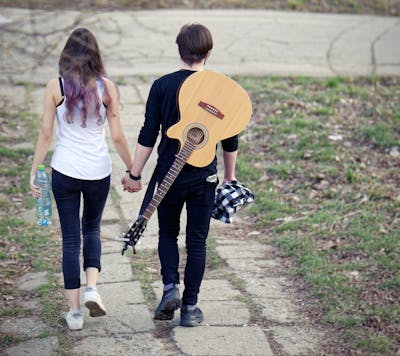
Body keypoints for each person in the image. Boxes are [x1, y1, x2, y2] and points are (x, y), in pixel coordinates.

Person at [122, 23, 239, 327]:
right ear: (208, 53)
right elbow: (230, 140)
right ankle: (189, 309)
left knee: (167, 234)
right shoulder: (219, 91)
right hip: (205, 179)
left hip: (169, 178)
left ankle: (170, 286)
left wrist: (134, 173)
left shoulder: (162, 86)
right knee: (197, 242)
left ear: (179, 50)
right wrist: (229, 177)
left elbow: (149, 133)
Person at [29, 28, 133, 331]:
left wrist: (35, 170)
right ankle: (92, 288)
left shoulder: (55, 86)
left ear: (66, 54)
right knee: (92, 229)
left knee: (70, 239)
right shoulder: (107, 87)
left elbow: (46, 134)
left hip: (65, 171)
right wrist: (132, 169)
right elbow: (117, 136)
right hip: (98, 172)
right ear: (95, 54)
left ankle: (74, 313)